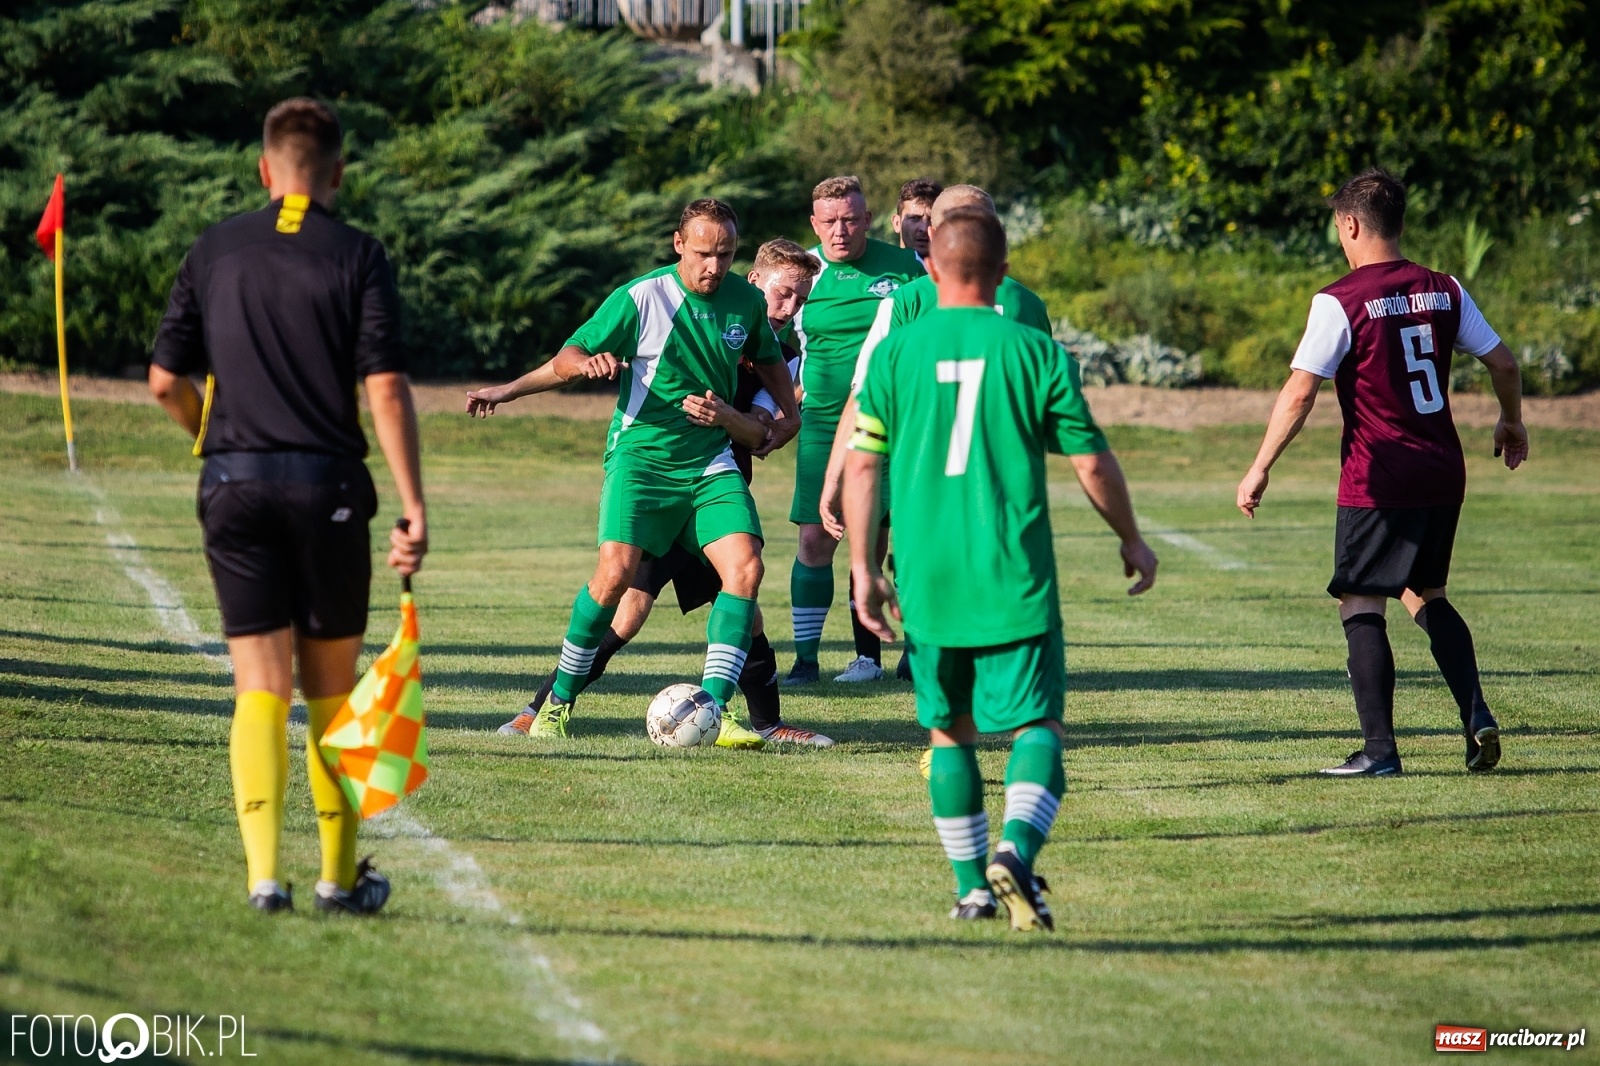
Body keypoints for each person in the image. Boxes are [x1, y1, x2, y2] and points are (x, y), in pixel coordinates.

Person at [148, 97, 428, 915]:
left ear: (264, 171)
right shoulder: (359, 254)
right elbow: (385, 386)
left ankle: (264, 878)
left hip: (232, 485)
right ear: (337, 174)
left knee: (259, 687)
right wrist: (413, 504)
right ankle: (338, 880)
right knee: (331, 690)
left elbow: (165, 381)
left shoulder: (214, 248)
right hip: (328, 487)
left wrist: (217, 436)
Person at [845, 207, 1158, 931]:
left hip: (926, 577)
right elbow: (1089, 458)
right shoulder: (1034, 351)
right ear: (1004, 271)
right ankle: (1015, 850)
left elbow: (863, 465)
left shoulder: (896, 352)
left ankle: (972, 889)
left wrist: (864, 568)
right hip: (1013, 572)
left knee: (949, 732)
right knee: (1037, 724)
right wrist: (1131, 539)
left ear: (929, 266)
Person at [464, 199, 801, 748]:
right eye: (702, 254)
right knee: (614, 578)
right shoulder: (642, 297)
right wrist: (539, 380)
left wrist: (789, 412)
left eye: (725, 254)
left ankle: (711, 709)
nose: (714, 266)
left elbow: (768, 360)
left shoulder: (744, 301)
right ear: (678, 244)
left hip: (708, 464)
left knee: (745, 570)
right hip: (640, 462)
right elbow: (569, 355)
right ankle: (556, 705)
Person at [1237, 167, 1527, 777]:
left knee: (1359, 597)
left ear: (1350, 224)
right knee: (1427, 594)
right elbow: (1503, 362)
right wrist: (1511, 422)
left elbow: (1299, 391)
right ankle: (1476, 718)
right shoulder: (1444, 288)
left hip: (1379, 473)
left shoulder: (1339, 299)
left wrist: (1260, 466)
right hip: (1442, 470)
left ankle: (1379, 752)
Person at [820, 184, 1055, 690]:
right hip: (1006, 494)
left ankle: (935, 675)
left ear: (933, 236)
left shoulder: (905, 303)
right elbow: (1059, 427)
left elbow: (863, 398)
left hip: (922, 481)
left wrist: (837, 472)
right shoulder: (1027, 305)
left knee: (922, 582)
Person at [786, 175, 924, 686]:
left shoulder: (908, 268)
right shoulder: (803, 272)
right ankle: (805, 662)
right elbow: (769, 343)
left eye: (849, 219)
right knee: (814, 543)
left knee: (885, 541)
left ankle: (890, 655)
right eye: (829, 222)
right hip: (823, 426)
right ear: (814, 224)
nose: (839, 231)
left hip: (894, 426)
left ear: (868, 219)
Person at [891, 178, 942, 262]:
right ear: (897, 223)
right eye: (915, 218)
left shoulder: (957, 273)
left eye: (932, 219)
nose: (924, 228)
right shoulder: (880, 271)